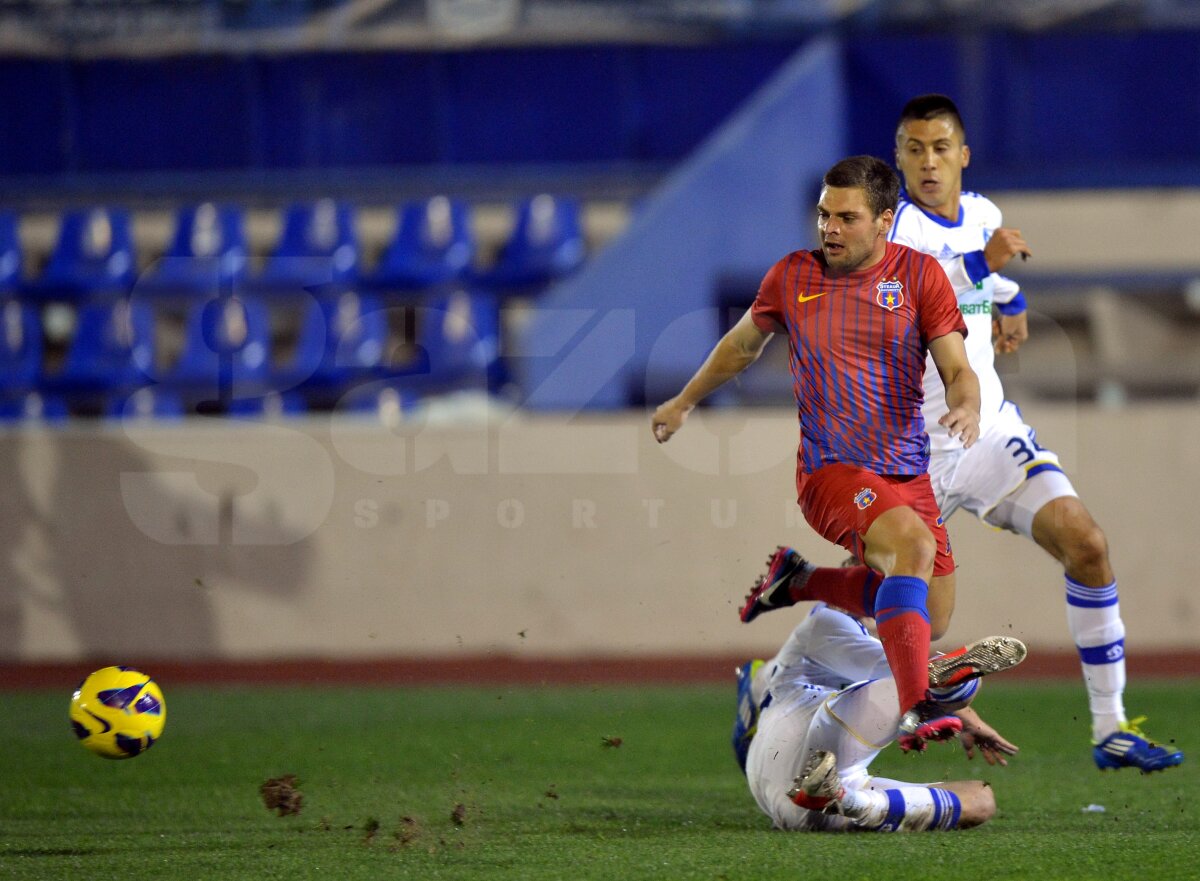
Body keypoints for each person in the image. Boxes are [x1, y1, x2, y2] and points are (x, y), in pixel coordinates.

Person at [741, 95, 1183, 774]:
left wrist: (1013, 302)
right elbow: (930, 287)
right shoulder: (894, 232)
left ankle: (1111, 726)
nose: (927, 161)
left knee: (1086, 543)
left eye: (940, 147)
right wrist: (982, 265)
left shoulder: (982, 216)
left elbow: (986, 284)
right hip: (904, 452)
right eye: (913, 149)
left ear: (963, 155)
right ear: (898, 161)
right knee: (921, 623)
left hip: (985, 430)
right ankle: (772, 672)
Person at [652, 155, 981, 748]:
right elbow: (740, 347)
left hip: (905, 473)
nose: (829, 228)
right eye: (824, 214)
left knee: (930, 616)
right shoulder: (793, 276)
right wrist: (683, 401)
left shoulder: (920, 277)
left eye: (846, 218)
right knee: (912, 546)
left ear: (885, 220)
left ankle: (799, 583)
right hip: (830, 472)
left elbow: (958, 368)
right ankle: (916, 706)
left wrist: (968, 405)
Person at [739, 602, 1025, 832]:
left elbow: (742, 727)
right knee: (932, 683)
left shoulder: (776, 668)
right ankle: (955, 689)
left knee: (980, 800)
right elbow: (903, 673)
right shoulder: (826, 621)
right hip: (798, 764)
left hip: (818, 800)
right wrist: (966, 715)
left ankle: (852, 802)